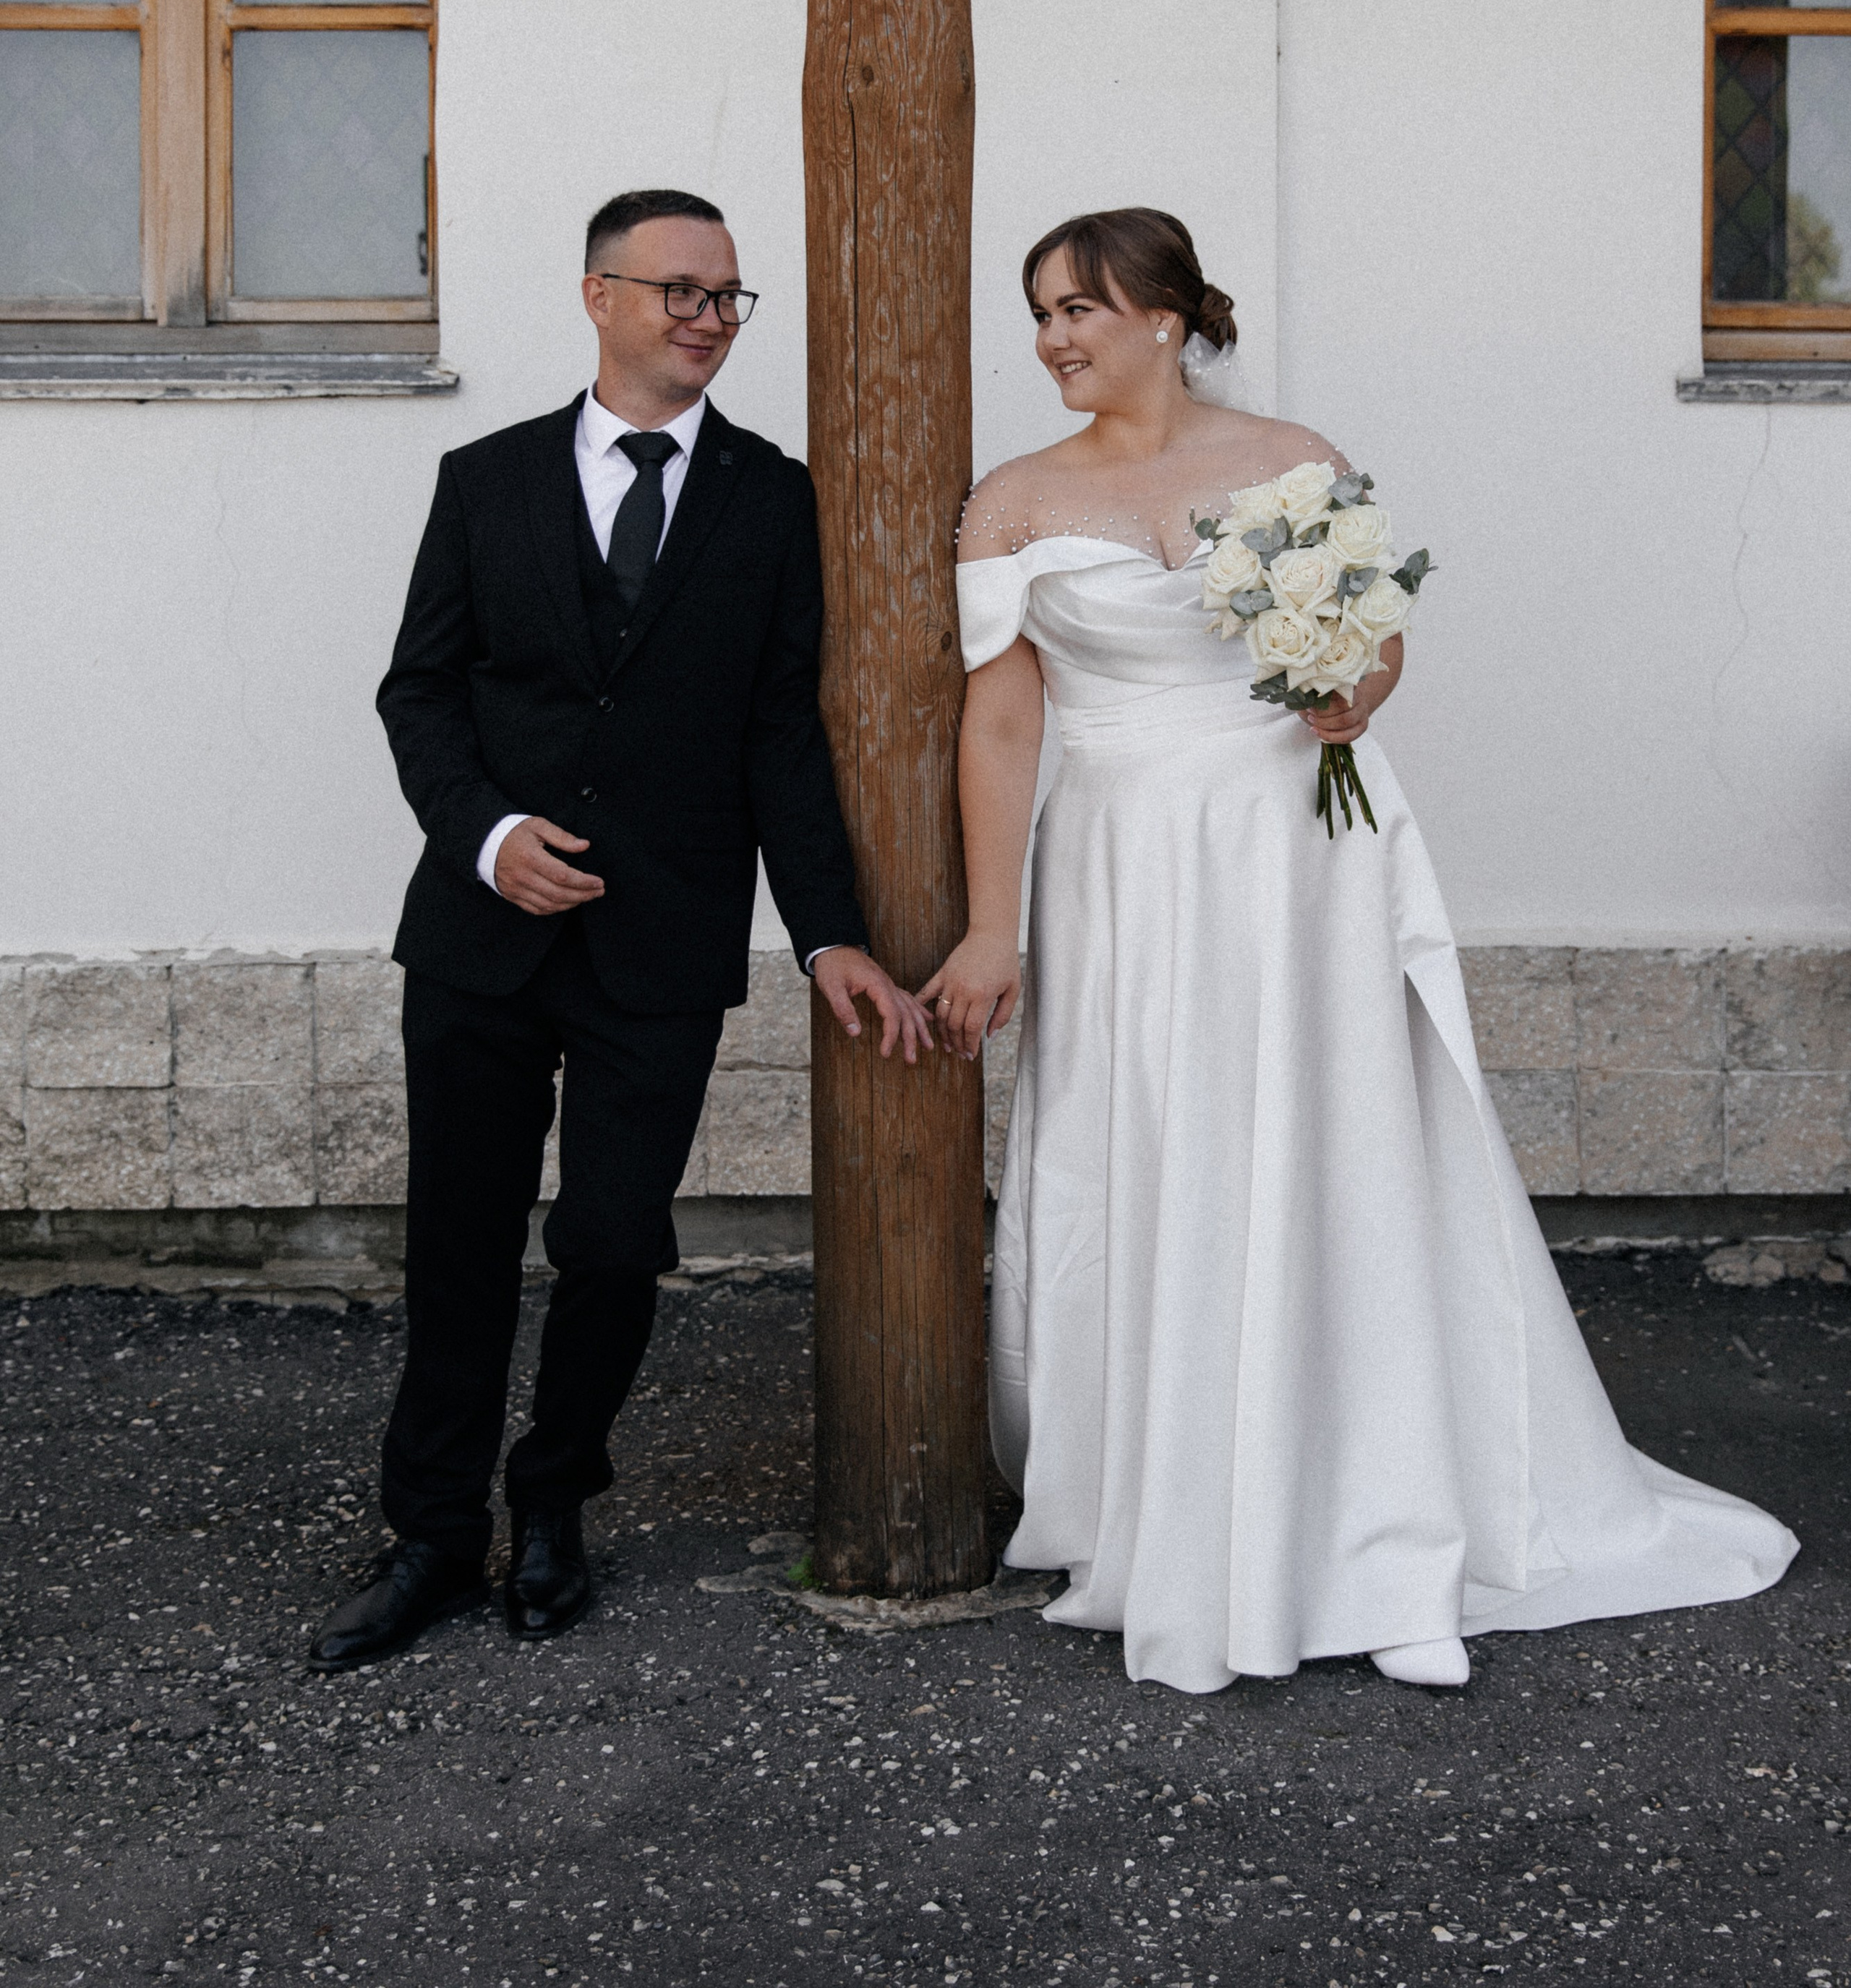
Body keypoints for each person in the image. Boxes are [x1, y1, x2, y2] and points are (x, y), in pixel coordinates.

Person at [922, 205, 1796, 1694]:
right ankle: (1167, 1506)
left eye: (1076, 309)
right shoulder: (1008, 500)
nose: (1052, 338)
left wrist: (1352, 694)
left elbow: (1370, 645)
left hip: (1292, 844)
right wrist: (990, 926)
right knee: (1154, 1144)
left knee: (1327, 1148)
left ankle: (1384, 1532)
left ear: (1162, 316)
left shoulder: (1282, 456)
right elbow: (1002, 721)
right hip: (1125, 858)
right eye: (1040, 314)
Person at [309, 187, 929, 1671]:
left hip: (660, 945)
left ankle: (554, 1499)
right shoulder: (486, 481)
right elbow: (421, 694)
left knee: (608, 1244)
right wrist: (490, 836)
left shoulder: (771, 501)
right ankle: (433, 1538)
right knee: (457, 1243)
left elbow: (782, 732)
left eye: (727, 296)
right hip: (479, 936)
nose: (708, 317)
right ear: (599, 297)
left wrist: (827, 933)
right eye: (678, 290)